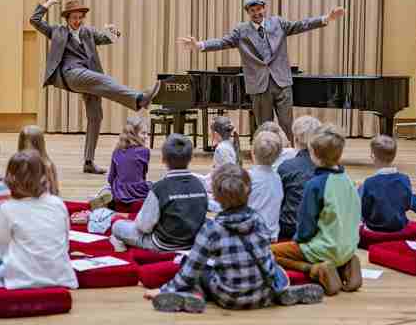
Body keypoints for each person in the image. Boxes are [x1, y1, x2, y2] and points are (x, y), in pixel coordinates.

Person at [145, 164, 324, 313]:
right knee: (274, 265)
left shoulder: (211, 229)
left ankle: (196, 295)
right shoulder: (258, 220)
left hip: (229, 297)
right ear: (249, 191)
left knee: (190, 263)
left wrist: (162, 290)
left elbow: (190, 271)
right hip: (263, 295)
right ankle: (281, 291)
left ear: (215, 195)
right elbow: (266, 259)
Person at [178, 0, 345, 142]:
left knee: (287, 124)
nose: (257, 13)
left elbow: (301, 25)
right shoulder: (241, 30)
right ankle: (267, 157)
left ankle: (290, 156)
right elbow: (222, 42)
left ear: (264, 8)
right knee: (264, 127)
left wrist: (326, 18)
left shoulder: (278, 23)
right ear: (248, 13)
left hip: (282, 83)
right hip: (259, 86)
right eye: (252, 11)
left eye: (259, 9)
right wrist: (199, 45)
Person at [30, 0, 161, 174]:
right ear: (67, 18)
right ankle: (138, 99)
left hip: (88, 76)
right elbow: (35, 20)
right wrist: (47, 4)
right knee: (103, 79)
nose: (77, 21)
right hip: (72, 74)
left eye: (79, 17)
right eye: (73, 18)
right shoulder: (57, 31)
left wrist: (113, 31)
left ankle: (88, 162)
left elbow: (108, 38)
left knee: (95, 117)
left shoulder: (88, 32)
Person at [0, 151, 78, 290]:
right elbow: (65, 243)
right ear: (43, 176)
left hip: (21, 277)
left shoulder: (7, 208)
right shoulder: (58, 203)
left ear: (9, 179)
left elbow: (4, 251)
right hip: (60, 274)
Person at [271, 124, 362, 296]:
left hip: (323, 248)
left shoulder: (316, 184)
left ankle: (315, 269)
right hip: (348, 246)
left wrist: (297, 241)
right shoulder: (347, 179)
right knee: (333, 251)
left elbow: (306, 225)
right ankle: (346, 264)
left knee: (268, 252)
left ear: (313, 153)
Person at [110, 134, 209, 253]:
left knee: (118, 226)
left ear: (163, 159)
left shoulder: (159, 188)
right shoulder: (199, 185)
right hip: (192, 243)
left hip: (162, 244)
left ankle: (120, 242)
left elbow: (144, 227)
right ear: (190, 158)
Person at [359, 135, 416, 232]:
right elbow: (407, 205)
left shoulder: (369, 182)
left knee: (360, 190)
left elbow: (364, 211)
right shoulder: (405, 179)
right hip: (399, 226)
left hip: (374, 227)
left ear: (373, 156)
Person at [92, 116, 151, 214]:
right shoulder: (145, 152)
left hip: (119, 192)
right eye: (143, 133)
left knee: (106, 188)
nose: (146, 136)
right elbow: (143, 176)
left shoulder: (116, 152)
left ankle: (105, 201)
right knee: (152, 185)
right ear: (133, 134)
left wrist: (116, 188)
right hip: (138, 191)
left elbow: (111, 178)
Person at [276, 115, 321, 240]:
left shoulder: (286, 167)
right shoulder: (329, 167)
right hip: (318, 229)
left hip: (289, 229)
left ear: (295, 139)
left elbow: (279, 201)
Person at [247, 130, 284, 241]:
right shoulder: (277, 178)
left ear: (252, 151)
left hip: (252, 236)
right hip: (272, 236)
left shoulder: (248, 177)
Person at [18, 125, 60, 196]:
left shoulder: (48, 165)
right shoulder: (18, 163)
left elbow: (54, 190)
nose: (28, 146)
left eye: (32, 143)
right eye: (24, 142)